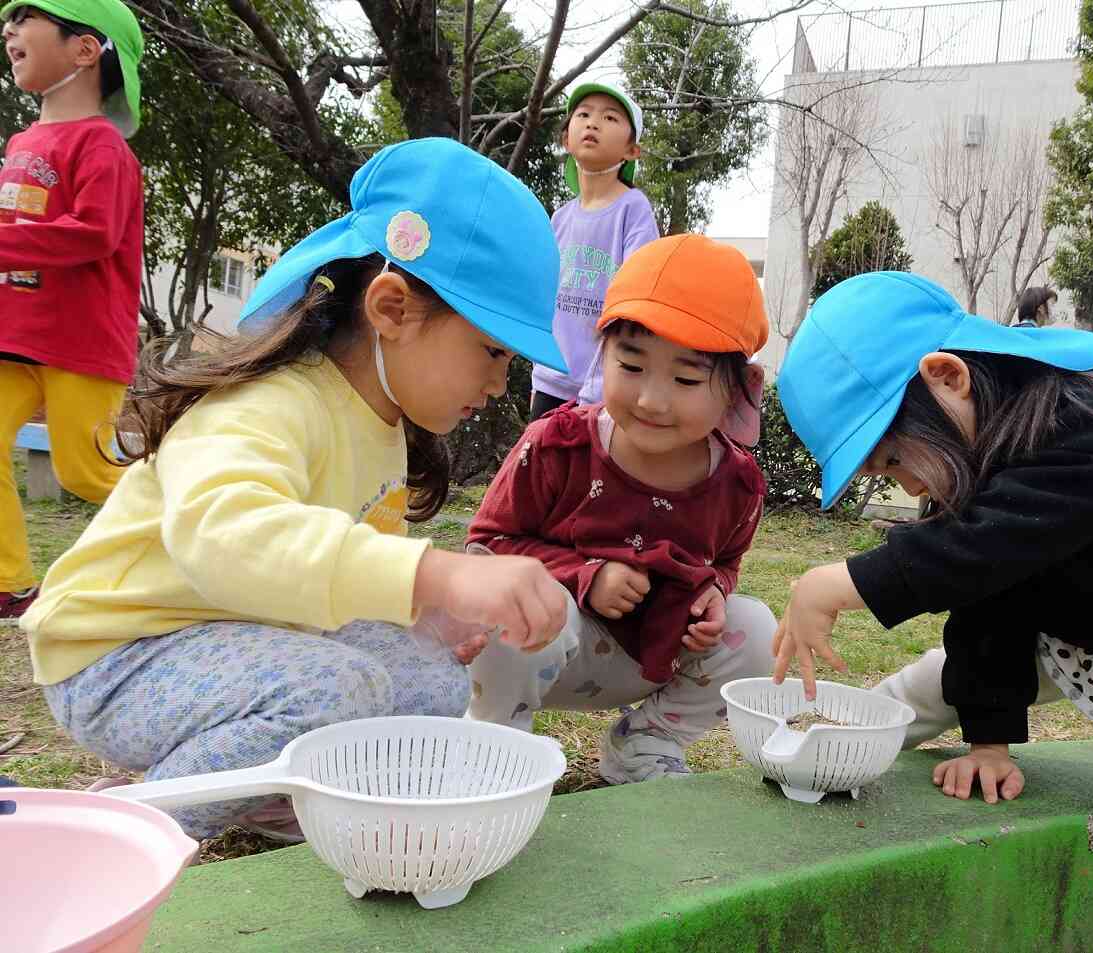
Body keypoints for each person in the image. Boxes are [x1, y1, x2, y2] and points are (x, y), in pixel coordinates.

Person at [21, 139, 569, 840]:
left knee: (431, 681)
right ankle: (133, 830)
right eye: (492, 351)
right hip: (117, 652)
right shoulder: (271, 403)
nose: (498, 386)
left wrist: (420, 608)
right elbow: (227, 538)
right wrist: (432, 573)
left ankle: (275, 787)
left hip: (234, 632)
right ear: (393, 308)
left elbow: (336, 568)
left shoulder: (381, 420)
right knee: (335, 689)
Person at [773, 271, 1093, 907]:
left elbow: (978, 551)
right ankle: (833, 739)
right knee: (934, 682)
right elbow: (990, 591)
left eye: (893, 459)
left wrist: (843, 581)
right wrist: (988, 745)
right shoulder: (988, 448)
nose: (910, 489)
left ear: (947, 377)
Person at [468, 235, 776, 784]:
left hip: (653, 655)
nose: (652, 400)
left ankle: (645, 744)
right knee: (503, 599)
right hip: (547, 648)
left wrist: (715, 596)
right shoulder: (558, 445)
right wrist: (585, 575)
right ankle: (494, 747)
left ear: (737, 390)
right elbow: (486, 547)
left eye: (685, 379)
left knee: (756, 629)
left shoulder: (738, 483)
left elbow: (725, 563)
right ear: (601, 354)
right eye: (631, 366)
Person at [0, 0, 144, 620]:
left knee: (87, 472)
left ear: (85, 50)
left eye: (26, 17)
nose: (8, 29)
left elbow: (93, 233)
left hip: (81, 342)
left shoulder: (104, 147)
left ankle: (202, 524)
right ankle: (10, 583)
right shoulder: (22, 141)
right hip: (13, 332)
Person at [528, 80, 659, 422]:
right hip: (549, 381)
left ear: (632, 151)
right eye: (583, 114)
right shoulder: (560, 218)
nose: (593, 123)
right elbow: (544, 299)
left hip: (604, 389)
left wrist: (603, 385)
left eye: (611, 118)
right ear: (566, 139)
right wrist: (536, 373)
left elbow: (637, 300)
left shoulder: (633, 209)